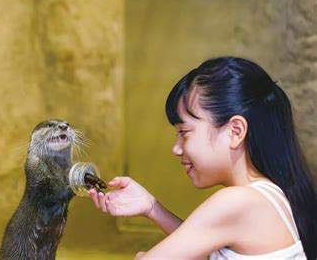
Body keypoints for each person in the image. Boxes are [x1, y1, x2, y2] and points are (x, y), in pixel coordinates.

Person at [88, 57, 317, 259]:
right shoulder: (270, 194)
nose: (176, 149)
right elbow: (208, 250)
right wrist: (151, 208)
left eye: (183, 132)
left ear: (235, 131)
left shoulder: (237, 201)